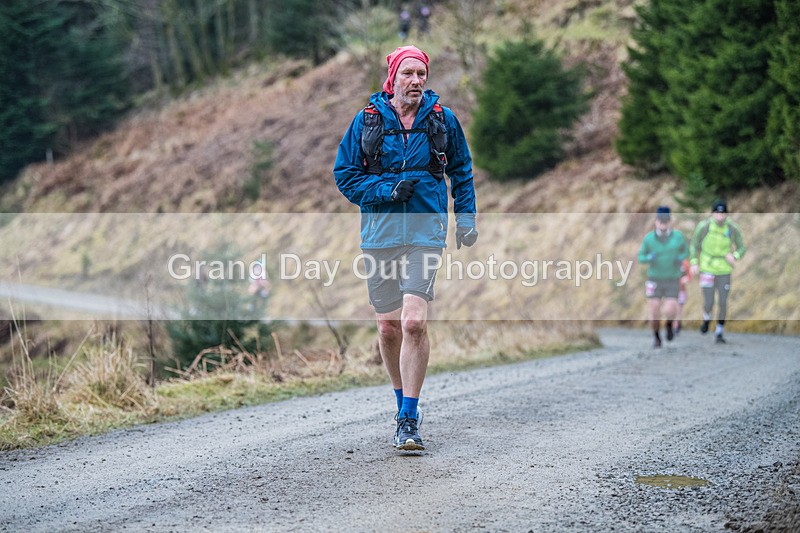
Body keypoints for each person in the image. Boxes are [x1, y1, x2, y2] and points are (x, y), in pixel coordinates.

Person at [334, 45, 477, 450]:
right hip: (380, 234)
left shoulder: (443, 120)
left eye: (421, 74)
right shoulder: (366, 122)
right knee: (388, 325)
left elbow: (462, 170)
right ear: (393, 77)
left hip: (425, 231)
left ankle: (409, 418)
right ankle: (400, 404)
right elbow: (344, 176)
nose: (416, 81)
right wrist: (386, 189)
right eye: (408, 74)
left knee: (414, 321)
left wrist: (465, 219)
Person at [690, 199, 746, 344]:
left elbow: (741, 247)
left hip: (724, 269)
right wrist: (694, 262)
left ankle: (719, 330)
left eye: (723, 213)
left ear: (726, 214)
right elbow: (694, 245)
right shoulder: (704, 226)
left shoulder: (732, 228)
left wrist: (735, 256)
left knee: (722, 301)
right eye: (717, 212)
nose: (720, 216)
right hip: (707, 267)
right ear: (713, 213)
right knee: (709, 301)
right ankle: (707, 318)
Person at [637, 206, 688, 348]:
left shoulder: (678, 237)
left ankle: (670, 325)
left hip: (672, 278)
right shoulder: (649, 239)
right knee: (654, 309)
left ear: (669, 221)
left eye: (665, 221)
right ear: (656, 221)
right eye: (660, 221)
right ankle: (656, 336)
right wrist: (649, 258)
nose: (663, 224)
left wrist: (680, 258)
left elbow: (686, 252)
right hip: (655, 278)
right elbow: (641, 257)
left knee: (670, 309)